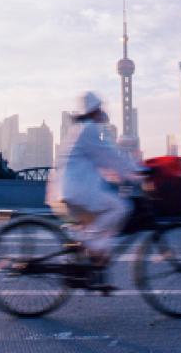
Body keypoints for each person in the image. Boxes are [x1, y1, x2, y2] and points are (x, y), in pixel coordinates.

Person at [45, 92, 144, 281]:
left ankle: (85, 265)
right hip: (77, 192)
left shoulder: (81, 130)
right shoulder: (88, 129)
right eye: (98, 109)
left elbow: (104, 163)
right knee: (121, 207)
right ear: (93, 111)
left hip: (69, 191)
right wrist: (139, 172)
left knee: (99, 224)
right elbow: (110, 156)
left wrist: (123, 175)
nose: (100, 113)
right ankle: (89, 246)